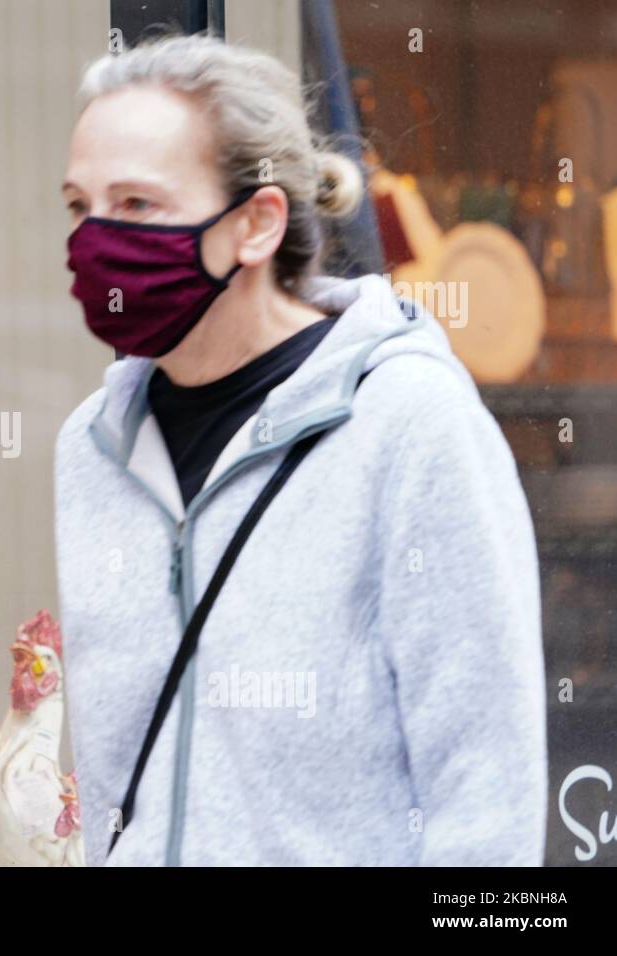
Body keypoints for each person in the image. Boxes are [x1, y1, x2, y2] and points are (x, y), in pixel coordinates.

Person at [54, 33, 546, 866]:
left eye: (137, 206)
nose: (96, 242)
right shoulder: (92, 451)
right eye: (79, 207)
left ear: (256, 223)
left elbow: (488, 798)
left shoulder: (409, 424)